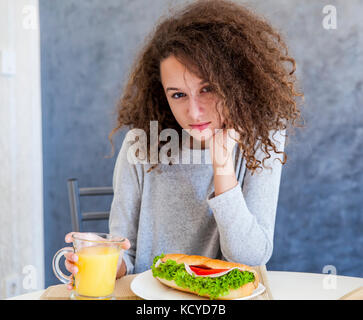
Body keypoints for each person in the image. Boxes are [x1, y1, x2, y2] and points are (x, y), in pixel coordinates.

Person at [62, 0, 303, 290]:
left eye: (207, 89)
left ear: (236, 82)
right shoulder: (141, 145)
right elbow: (125, 252)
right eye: (178, 95)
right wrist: (102, 258)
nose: (194, 112)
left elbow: (250, 257)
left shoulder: (262, 141)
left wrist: (222, 167)